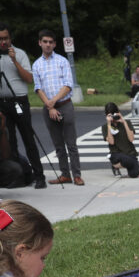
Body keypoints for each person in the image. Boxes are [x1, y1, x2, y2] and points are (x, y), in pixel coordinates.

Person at [0, 22, 45, 189]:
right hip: (0, 103)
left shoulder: (20, 54)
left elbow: (29, 79)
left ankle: (39, 176)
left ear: (10, 38)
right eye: (0, 39)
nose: (3, 42)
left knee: (28, 138)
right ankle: (18, 175)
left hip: (19, 101)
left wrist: (14, 60)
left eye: (6, 38)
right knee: (9, 141)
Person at [32, 29, 84, 186]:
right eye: (45, 41)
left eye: (50, 42)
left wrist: (53, 101)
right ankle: (65, 174)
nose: (48, 45)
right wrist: (49, 106)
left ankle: (77, 175)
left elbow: (68, 85)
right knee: (58, 144)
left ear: (54, 44)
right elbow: (38, 88)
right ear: (40, 43)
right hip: (48, 108)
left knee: (71, 143)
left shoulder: (62, 61)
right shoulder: (36, 65)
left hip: (64, 105)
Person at [102, 102, 139, 178]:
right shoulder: (105, 127)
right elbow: (111, 142)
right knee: (126, 159)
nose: (113, 117)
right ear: (106, 115)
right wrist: (109, 124)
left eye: (114, 114)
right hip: (116, 154)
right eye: (110, 115)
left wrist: (124, 122)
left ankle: (119, 166)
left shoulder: (127, 123)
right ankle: (115, 166)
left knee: (134, 174)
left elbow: (131, 139)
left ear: (118, 112)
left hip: (129, 153)